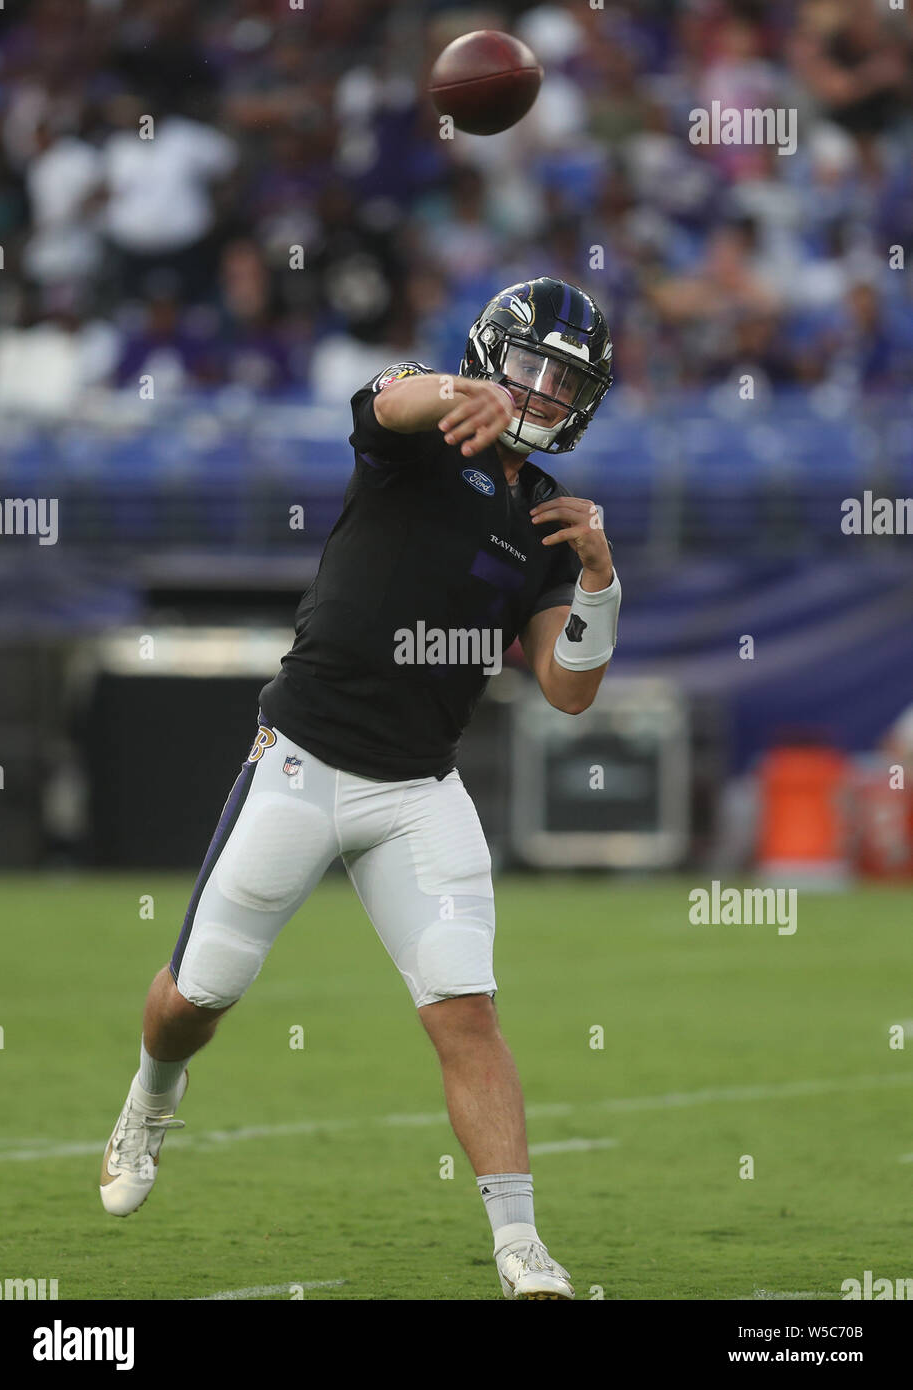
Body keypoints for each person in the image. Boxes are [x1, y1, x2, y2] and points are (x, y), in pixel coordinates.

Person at [100, 276, 621, 1300]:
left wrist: (600, 585)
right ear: (485, 356)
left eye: (564, 382)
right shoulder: (428, 432)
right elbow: (383, 402)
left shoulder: (546, 522)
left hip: (419, 789)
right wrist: (443, 392)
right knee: (196, 999)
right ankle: (152, 1094)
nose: (542, 392)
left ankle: (520, 1246)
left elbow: (567, 690)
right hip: (302, 758)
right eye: (528, 367)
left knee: (465, 1010)